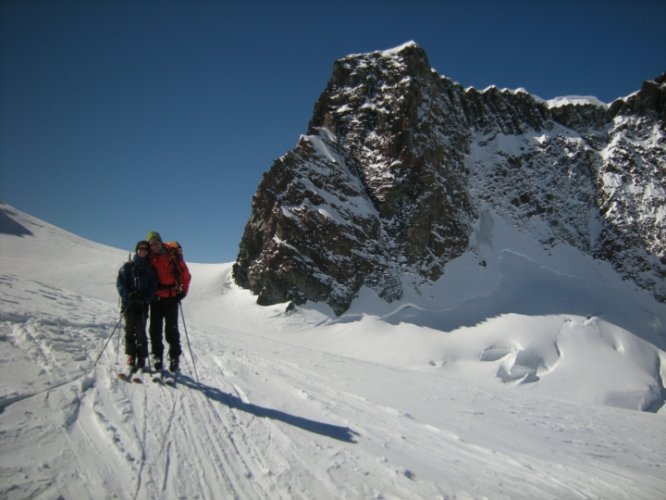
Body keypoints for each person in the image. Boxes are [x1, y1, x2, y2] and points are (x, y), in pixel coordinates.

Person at [146, 231, 191, 373]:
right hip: (156, 298)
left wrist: (183, 292)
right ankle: (157, 356)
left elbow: (186, 275)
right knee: (155, 330)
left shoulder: (172, 256)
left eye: (156, 242)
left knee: (171, 330)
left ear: (160, 242)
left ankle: (174, 358)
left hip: (171, 297)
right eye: (151, 243)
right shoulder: (149, 257)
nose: (154, 245)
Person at [116, 240, 158, 373]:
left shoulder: (150, 269)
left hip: (142, 304)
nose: (143, 251)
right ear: (137, 250)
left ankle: (141, 356)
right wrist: (128, 294)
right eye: (141, 249)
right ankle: (131, 355)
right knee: (129, 329)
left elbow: (153, 286)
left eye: (146, 249)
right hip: (129, 303)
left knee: (140, 331)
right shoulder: (128, 267)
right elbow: (120, 283)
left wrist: (146, 297)